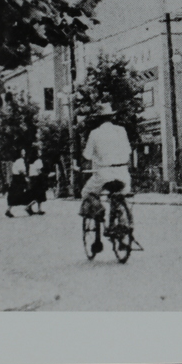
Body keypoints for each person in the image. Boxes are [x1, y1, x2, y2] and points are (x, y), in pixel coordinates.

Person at [78, 103, 133, 253]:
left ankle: (99, 215)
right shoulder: (121, 131)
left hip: (104, 174)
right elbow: (128, 151)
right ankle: (122, 233)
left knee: (87, 193)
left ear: (98, 119)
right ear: (112, 117)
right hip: (122, 172)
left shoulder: (95, 133)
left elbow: (87, 155)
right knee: (121, 199)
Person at [5, 148, 31, 217]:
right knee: (21, 193)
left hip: (17, 179)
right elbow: (21, 170)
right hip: (18, 179)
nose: (24, 153)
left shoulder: (17, 161)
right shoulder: (20, 160)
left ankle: (9, 209)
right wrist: (26, 177)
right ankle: (28, 207)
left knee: (16, 194)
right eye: (22, 152)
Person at [27, 150, 47, 215]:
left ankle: (39, 209)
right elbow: (39, 171)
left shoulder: (30, 162)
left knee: (36, 194)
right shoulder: (38, 161)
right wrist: (45, 175)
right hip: (37, 179)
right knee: (39, 194)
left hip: (32, 179)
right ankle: (28, 206)